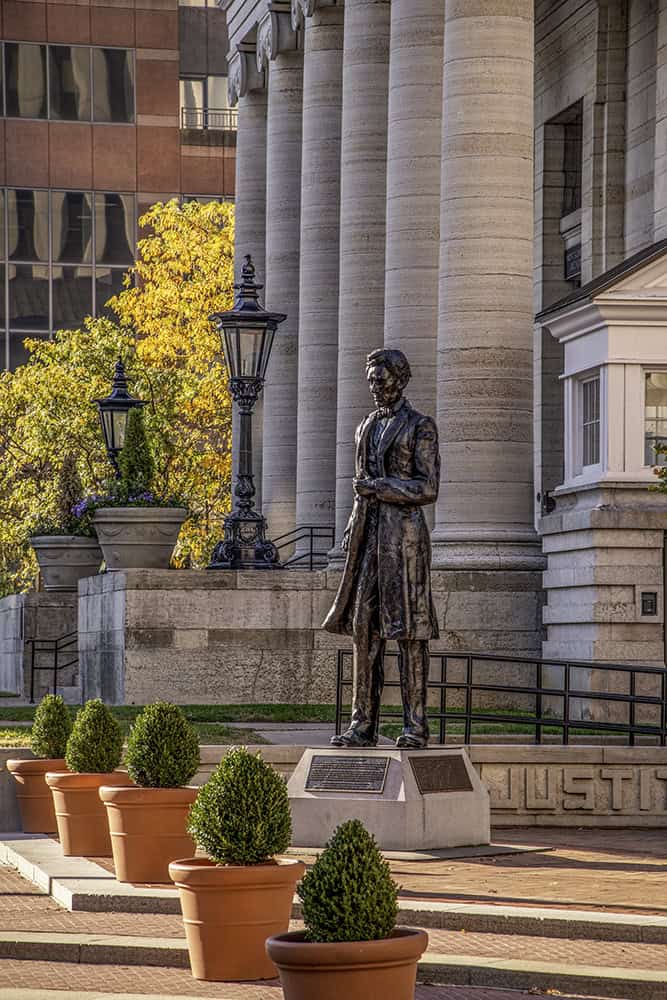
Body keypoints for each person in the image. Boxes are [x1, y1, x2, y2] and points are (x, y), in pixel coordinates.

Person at [323, 348, 441, 749]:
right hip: (368, 542)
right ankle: (362, 725)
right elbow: (360, 486)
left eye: (381, 379)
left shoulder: (420, 426)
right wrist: (353, 526)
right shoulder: (366, 427)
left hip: (404, 543)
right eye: (371, 380)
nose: (375, 387)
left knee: (409, 634)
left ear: (400, 379)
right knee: (364, 631)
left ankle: (415, 726)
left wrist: (381, 488)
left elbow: (427, 488)